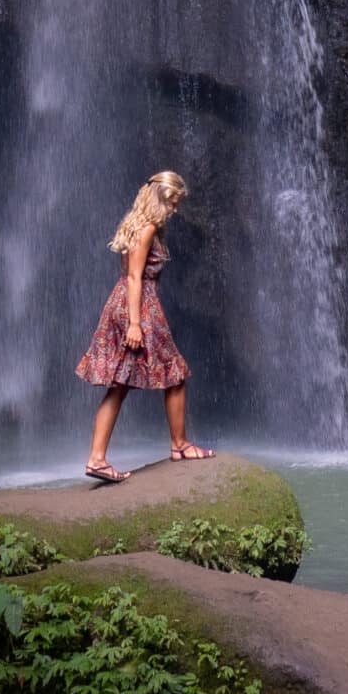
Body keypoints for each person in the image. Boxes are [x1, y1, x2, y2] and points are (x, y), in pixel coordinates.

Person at [75, 168, 214, 482]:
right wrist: (135, 324)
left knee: (121, 385)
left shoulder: (137, 223)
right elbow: (136, 277)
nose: (176, 209)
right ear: (160, 199)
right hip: (139, 307)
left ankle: (98, 459)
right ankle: (179, 445)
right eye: (173, 202)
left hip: (126, 303)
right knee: (174, 372)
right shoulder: (148, 227)